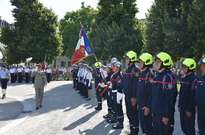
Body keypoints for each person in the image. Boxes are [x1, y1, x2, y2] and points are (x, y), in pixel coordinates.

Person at [151, 52, 177, 135]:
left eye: (158, 62)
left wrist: (166, 115)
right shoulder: (158, 75)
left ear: (164, 63)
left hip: (164, 115)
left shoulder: (168, 77)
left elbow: (170, 98)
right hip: (156, 113)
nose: (155, 63)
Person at [122, 51, 140, 135]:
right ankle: (132, 127)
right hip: (127, 95)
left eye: (127, 58)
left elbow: (135, 85)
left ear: (132, 59)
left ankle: (135, 130)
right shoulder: (127, 69)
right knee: (129, 113)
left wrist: (134, 97)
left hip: (132, 97)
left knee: (134, 113)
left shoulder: (135, 69)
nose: (125, 60)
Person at [178, 58, 197, 135]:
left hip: (189, 109)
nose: (183, 68)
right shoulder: (184, 78)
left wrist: (189, 109)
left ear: (191, 67)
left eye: (185, 67)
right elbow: (181, 93)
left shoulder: (194, 79)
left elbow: (193, 96)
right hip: (182, 107)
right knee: (184, 128)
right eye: (183, 66)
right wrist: (179, 105)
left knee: (190, 129)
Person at [137, 53, 154, 135]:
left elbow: (151, 93)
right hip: (141, 104)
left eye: (141, 62)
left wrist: (148, 106)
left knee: (148, 128)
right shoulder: (141, 73)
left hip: (146, 107)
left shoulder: (150, 74)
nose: (139, 64)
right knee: (143, 127)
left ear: (146, 62)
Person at [110, 61, 124, 129]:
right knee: (116, 108)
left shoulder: (119, 75)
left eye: (114, 66)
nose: (113, 67)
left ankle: (120, 123)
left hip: (118, 93)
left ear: (118, 67)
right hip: (114, 92)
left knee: (119, 108)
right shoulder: (115, 74)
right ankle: (118, 121)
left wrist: (119, 94)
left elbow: (120, 85)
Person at [195, 56, 205, 135]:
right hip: (200, 109)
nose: (201, 67)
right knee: (201, 130)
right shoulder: (200, 78)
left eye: (202, 65)